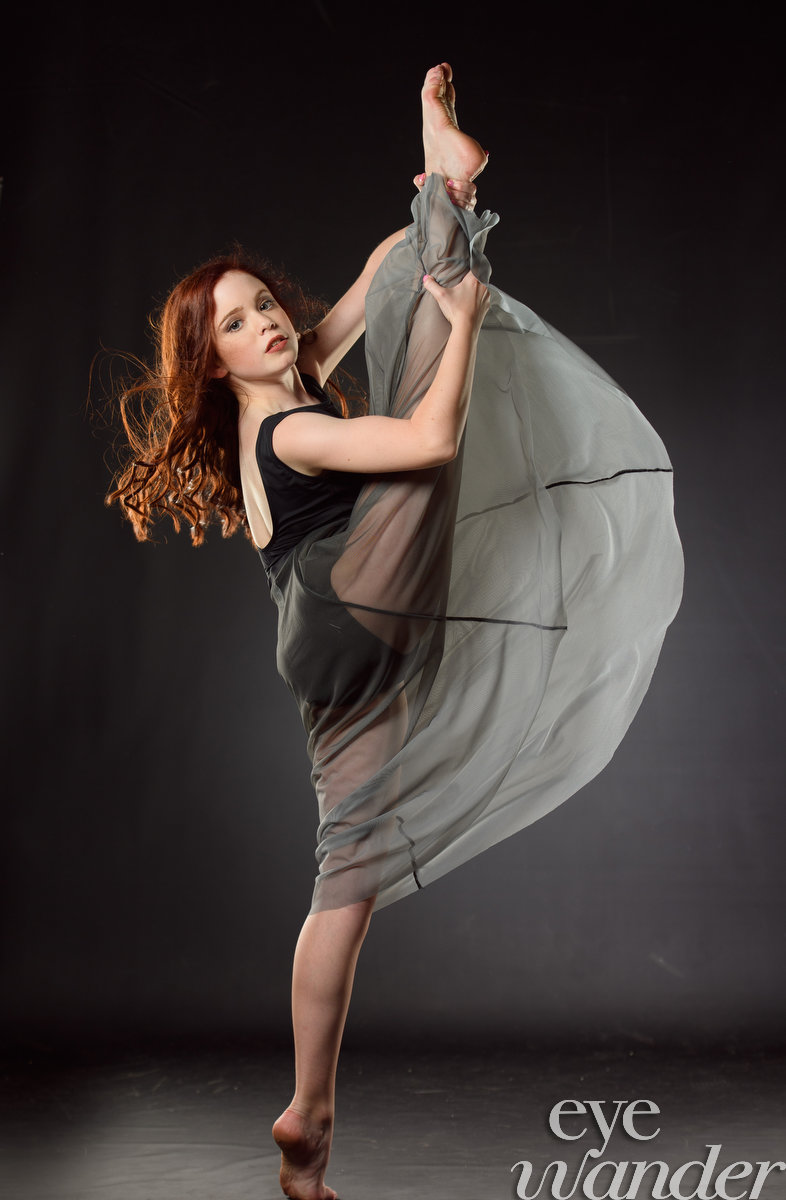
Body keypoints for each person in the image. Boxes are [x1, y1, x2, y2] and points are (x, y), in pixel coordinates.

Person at [107, 64, 683, 1200]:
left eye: (264, 303)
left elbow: (375, 281)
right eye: (237, 324)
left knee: (347, 879)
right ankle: (451, 213)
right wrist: (461, 315)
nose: (267, 324)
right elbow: (425, 441)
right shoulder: (287, 433)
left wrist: (431, 200)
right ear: (213, 364)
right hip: (344, 604)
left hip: (336, 655)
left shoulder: (296, 382)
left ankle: (307, 1120)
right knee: (428, 399)